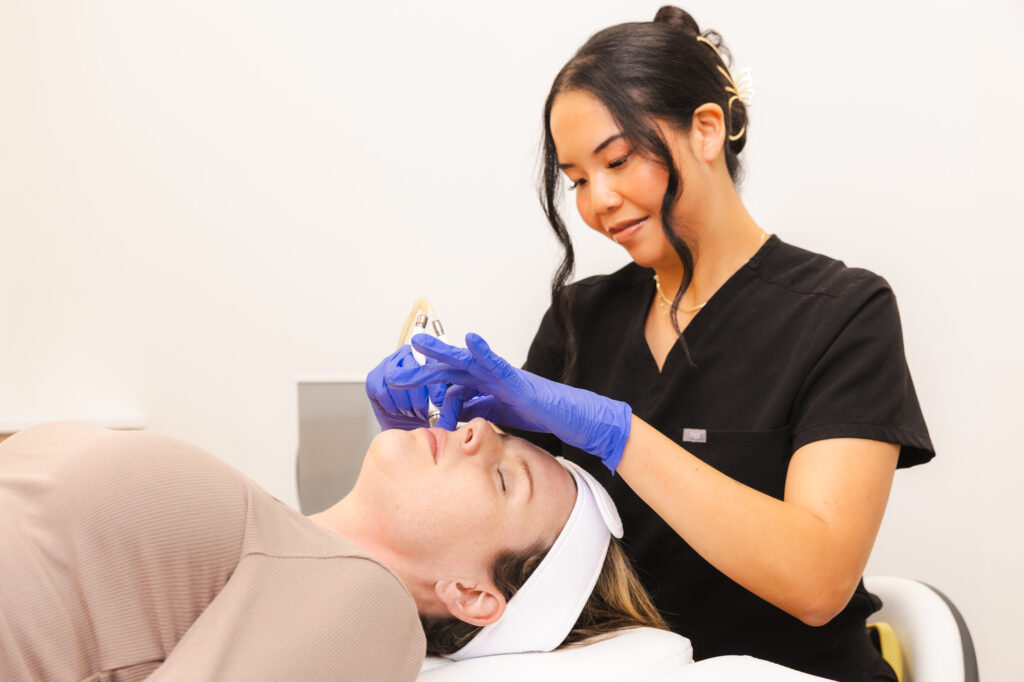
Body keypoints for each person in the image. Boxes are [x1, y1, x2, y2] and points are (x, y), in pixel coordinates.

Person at [366, 6, 934, 681]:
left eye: (618, 159)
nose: (597, 200)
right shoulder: (582, 316)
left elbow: (818, 582)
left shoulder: (844, 314)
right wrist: (423, 437)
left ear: (706, 130)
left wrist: (621, 436)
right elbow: (502, 542)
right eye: (576, 179)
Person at [0, 419, 665, 681]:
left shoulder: (367, 607)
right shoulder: (270, 541)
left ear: (472, 595)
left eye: (501, 476)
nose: (476, 431)